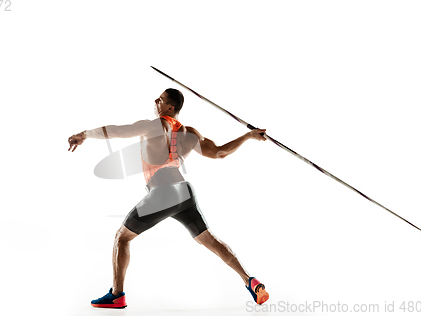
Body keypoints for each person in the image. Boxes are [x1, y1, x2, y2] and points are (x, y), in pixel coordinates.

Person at [67, 88, 269, 308]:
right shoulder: (190, 133)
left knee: (121, 238)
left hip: (163, 191)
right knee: (209, 240)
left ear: (170, 107)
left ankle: (117, 295)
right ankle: (249, 279)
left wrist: (84, 134)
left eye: (160, 99)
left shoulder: (153, 125)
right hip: (184, 192)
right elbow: (219, 152)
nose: (156, 101)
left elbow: (117, 131)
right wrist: (248, 136)